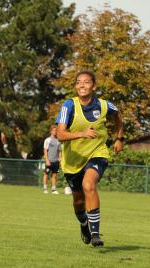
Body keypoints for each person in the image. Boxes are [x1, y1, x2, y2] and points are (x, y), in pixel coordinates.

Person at [56, 70, 124, 247]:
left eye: (86, 82)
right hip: (72, 161)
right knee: (78, 201)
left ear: (94, 86)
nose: (82, 85)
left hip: (97, 152)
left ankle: (95, 234)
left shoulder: (104, 105)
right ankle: (84, 224)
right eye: (78, 82)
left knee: (89, 184)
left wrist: (119, 138)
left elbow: (117, 116)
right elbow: (60, 135)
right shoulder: (68, 106)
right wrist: (82, 134)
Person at [43, 125, 61, 194]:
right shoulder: (47, 140)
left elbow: (59, 151)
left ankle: (54, 189)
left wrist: (60, 158)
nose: (55, 132)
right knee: (46, 174)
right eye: (53, 130)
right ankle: (45, 188)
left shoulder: (59, 140)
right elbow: (45, 150)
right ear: (51, 131)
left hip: (56, 161)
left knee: (54, 175)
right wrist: (47, 160)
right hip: (49, 161)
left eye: (56, 130)